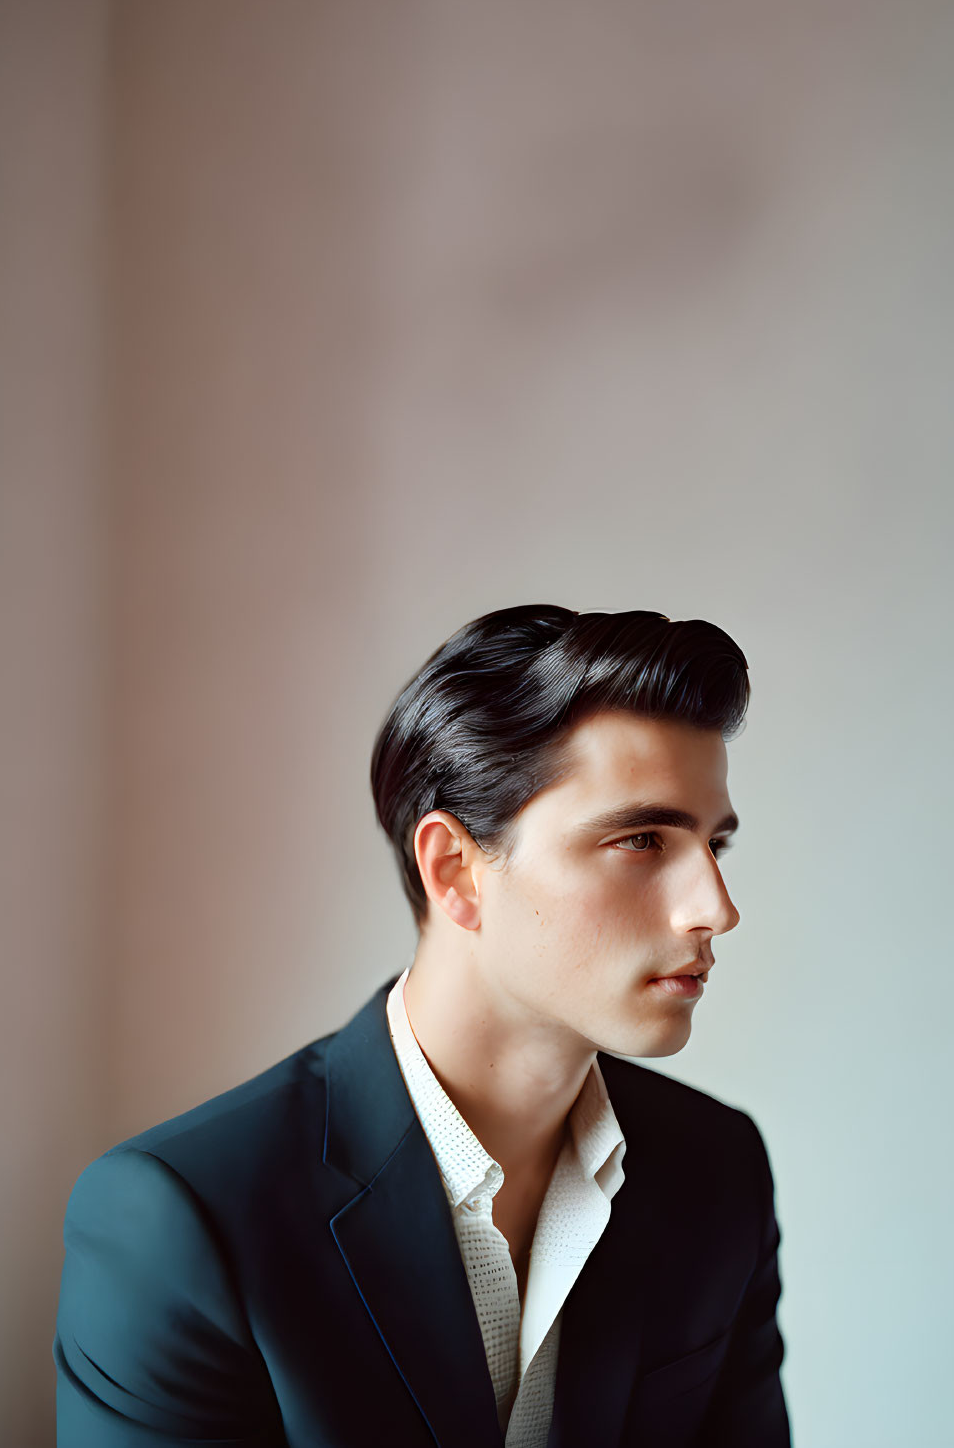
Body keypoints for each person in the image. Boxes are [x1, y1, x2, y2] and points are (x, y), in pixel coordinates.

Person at [54, 604, 793, 1447]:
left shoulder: (719, 1171)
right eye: (641, 839)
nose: (716, 909)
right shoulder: (183, 1218)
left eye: (714, 846)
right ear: (455, 871)